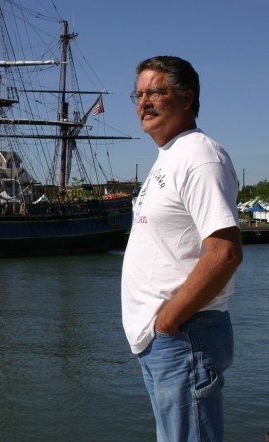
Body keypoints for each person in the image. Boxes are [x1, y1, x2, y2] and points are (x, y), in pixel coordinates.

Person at [121, 56, 243, 441]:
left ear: (187, 98)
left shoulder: (199, 157)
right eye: (138, 94)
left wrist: (169, 320)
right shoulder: (170, 157)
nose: (144, 102)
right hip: (165, 340)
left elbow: (224, 252)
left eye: (157, 92)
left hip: (184, 334)